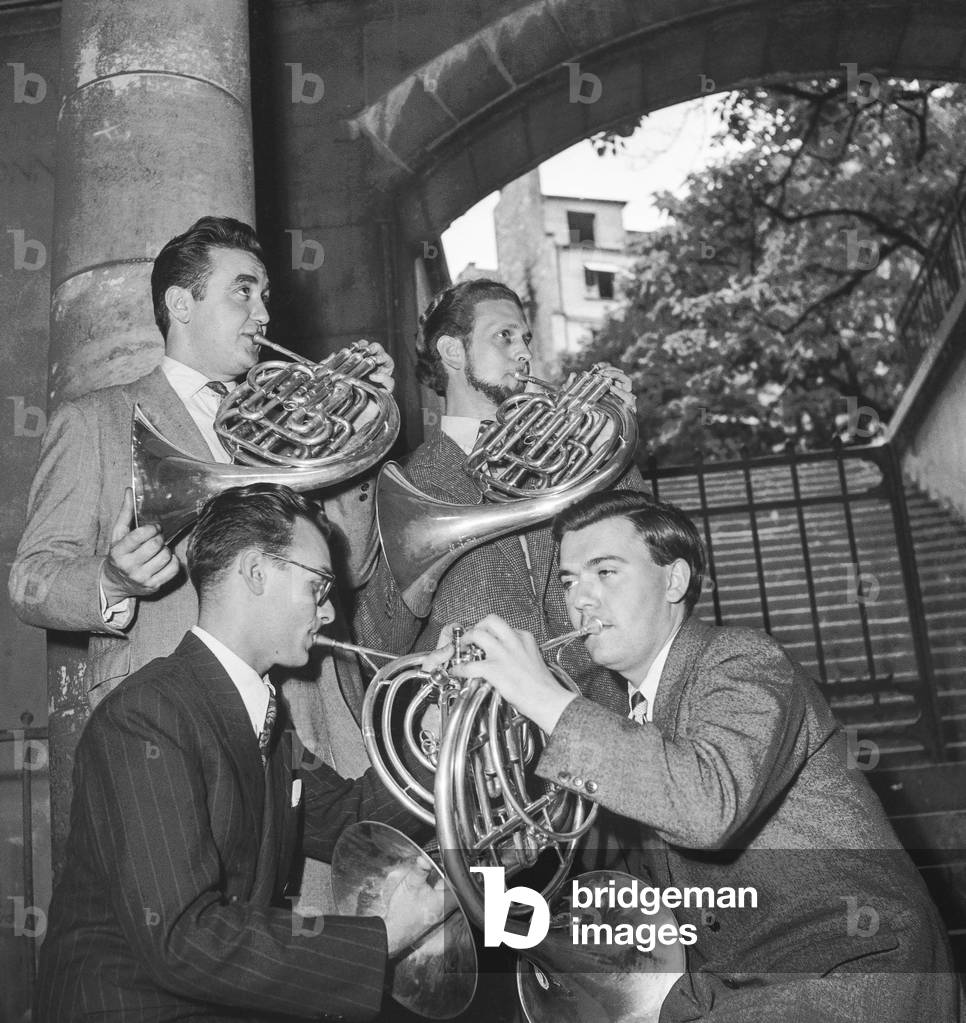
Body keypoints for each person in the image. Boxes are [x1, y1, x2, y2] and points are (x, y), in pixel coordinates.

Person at [424, 490, 960, 1021]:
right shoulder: (626, 720)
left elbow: (707, 809)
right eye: (568, 581)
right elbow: (614, 876)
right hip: (734, 991)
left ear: (674, 580)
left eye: (604, 572)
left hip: (848, 977)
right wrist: (508, 787)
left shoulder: (741, 661)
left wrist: (544, 698)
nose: (579, 599)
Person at [37, 484, 444, 1022]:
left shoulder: (258, 716)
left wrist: (439, 731)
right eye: (318, 587)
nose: (326, 614)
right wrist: (383, 937)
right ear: (256, 572)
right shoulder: (148, 718)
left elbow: (350, 817)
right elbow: (181, 937)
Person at [9, 215, 393, 725]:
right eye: (243, 292)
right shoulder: (93, 421)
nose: (263, 315)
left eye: (265, 296)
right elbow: (30, 581)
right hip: (172, 715)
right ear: (180, 304)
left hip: (313, 716)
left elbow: (354, 568)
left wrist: (356, 444)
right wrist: (112, 580)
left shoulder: (292, 421)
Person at [355, 279, 644, 715]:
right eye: (503, 336)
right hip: (488, 734)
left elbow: (647, 550)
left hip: (599, 712)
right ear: (453, 352)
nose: (524, 351)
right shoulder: (409, 486)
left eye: (525, 338)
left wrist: (614, 450)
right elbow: (376, 642)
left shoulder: (566, 454)